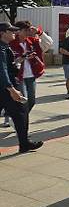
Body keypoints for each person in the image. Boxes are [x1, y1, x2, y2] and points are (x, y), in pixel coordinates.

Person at [0, 22, 43, 153]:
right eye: (11, 30)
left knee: (21, 113)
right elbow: (2, 70)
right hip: (5, 88)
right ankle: (24, 144)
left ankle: (24, 144)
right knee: (21, 113)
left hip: (6, 87)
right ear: (2, 33)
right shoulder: (1, 49)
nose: (14, 32)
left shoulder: (5, 47)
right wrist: (11, 89)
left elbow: (9, 66)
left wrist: (20, 60)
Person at [10, 21, 51, 113]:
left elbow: (48, 43)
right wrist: (22, 58)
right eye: (26, 30)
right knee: (22, 100)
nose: (28, 32)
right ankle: (19, 118)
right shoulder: (11, 43)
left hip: (31, 75)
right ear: (18, 31)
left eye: (29, 30)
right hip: (18, 76)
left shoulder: (33, 41)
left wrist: (39, 32)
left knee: (31, 101)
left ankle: (21, 116)